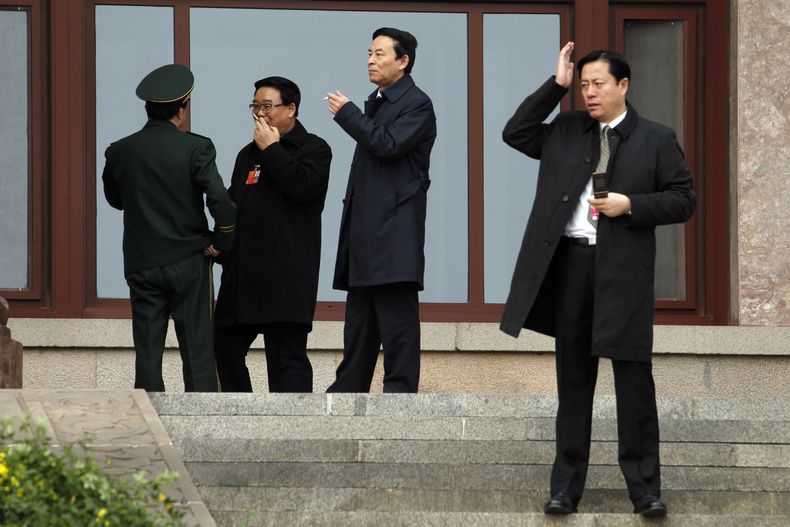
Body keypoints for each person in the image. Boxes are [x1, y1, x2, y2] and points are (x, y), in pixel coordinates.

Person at [499, 42, 695, 516]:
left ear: (623, 85)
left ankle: (645, 489)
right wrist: (556, 86)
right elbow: (515, 132)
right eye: (583, 84)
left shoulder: (655, 138)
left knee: (632, 379)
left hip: (623, 270)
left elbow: (683, 199)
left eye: (597, 84)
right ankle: (565, 487)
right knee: (573, 380)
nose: (589, 92)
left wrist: (632, 206)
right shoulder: (566, 129)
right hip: (570, 266)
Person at [102, 64, 236, 392]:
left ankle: (149, 418)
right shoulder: (196, 147)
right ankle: (203, 422)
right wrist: (222, 240)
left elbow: (115, 199)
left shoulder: (119, 150)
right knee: (197, 347)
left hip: (141, 261)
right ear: (183, 107)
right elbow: (221, 200)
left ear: (147, 109)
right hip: (189, 260)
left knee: (147, 349)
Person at [324, 27, 436, 393]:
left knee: (397, 322)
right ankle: (347, 390)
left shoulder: (417, 104)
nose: (371, 60)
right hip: (367, 232)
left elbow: (389, 145)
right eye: (369, 53)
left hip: (394, 233)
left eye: (380, 54)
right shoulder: (379, 101)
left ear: (403, 62)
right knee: (359, 321)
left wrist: (349, 114)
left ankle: (400, 394)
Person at [213, 76, 332, 392]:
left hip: (286, 275)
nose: (259, 114)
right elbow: (233, 205)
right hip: (243, 277)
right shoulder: (246, 155)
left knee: (286, 360)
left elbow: (301, 187)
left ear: (291, 108)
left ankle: (295, 433)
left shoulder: (315, 149)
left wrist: (273, 150)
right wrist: (218, 243)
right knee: (223, 347)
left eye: (267, 106)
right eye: (255, 106)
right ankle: (243, 416)